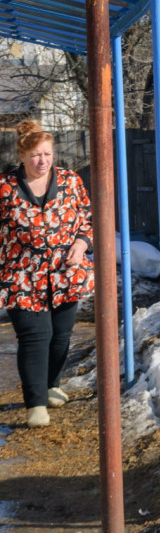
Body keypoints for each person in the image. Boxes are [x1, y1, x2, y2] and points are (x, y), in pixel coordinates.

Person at [0, 121, 94, 428]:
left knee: (60, 335)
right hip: (22, 276)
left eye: (47, 154)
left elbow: (88, 219)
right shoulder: (5, 187)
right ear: (23, 156)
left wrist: (82, 243)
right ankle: (36, 403)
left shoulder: (70, 181)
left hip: (65, 273)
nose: (43, 161)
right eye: (36, 155)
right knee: (34, 337)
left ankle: (52, 384)